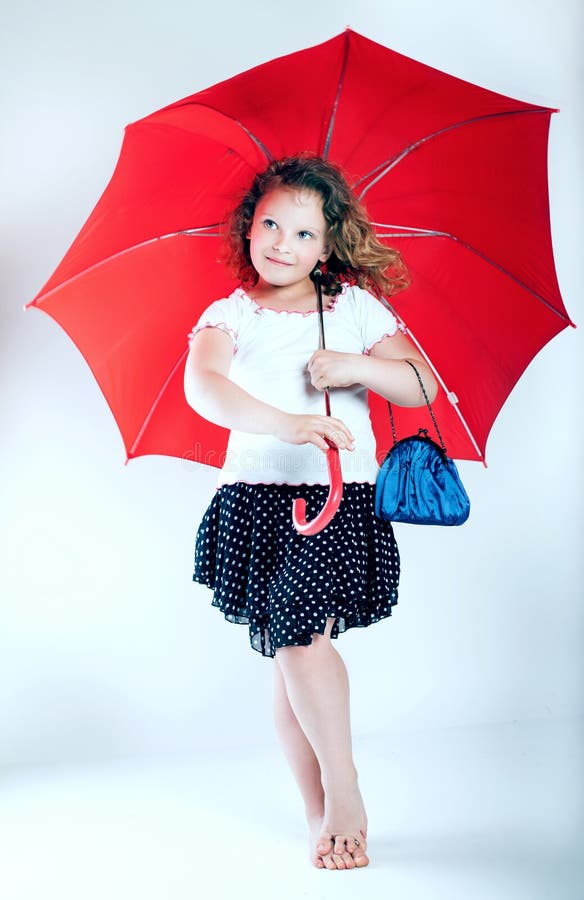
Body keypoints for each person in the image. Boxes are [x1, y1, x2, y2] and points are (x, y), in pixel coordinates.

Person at [183, 154, 438, 871]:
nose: (280, 243)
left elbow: (422, 383)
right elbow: (204, 387)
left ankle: (345, 788)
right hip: (256, 501)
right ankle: (317, 809)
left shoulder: (353, 310)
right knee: (286, 654)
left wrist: (357, 367)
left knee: (296, 634)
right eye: (269, 223)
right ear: (249, 226)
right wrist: (284, 422)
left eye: (302, 233)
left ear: (328, 248)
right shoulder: (229, 315)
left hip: (337, 499)